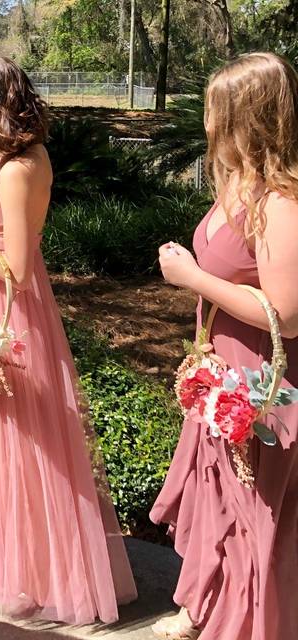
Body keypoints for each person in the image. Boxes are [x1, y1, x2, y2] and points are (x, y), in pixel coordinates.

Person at [0, 56, 137, 624]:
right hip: (1, 305)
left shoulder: (20, 167)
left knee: (25, 429)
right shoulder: (15, 156)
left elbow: (18, 267)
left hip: (14, 310)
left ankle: (40, 561)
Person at [150, 52, 298, 640]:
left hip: (260, 382)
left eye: (217, 109)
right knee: (219, 497)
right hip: (222, 371)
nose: (207, 121)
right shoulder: (239, 182)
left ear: (249, 114)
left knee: (251, 508)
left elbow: (285, 316)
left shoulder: (281, 203)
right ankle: (205, 607)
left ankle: (248, 623)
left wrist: (192, 278)